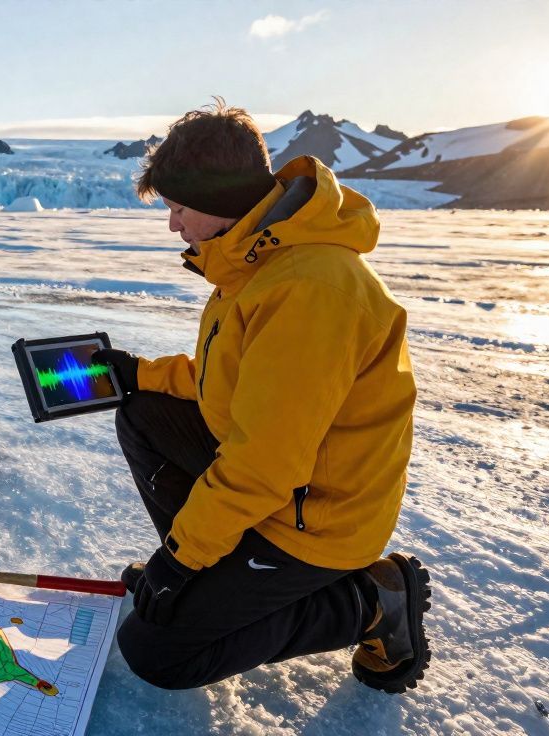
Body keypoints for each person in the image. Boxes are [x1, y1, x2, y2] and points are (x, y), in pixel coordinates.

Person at [92, 99, 431, 694]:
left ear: (218, 201)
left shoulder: (309, 288)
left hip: (318, 517)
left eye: (177, 207)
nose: (174, 225)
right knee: (142, 413)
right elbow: (235, 384)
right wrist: (136, 373)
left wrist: (178, 560)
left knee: (158, 652)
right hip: (284, 484)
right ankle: (214, 572)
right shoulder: (257, 263)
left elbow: (267, 462)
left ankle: (373, 600)